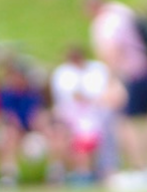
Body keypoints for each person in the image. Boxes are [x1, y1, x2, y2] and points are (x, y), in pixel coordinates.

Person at [84, 0, 147, 192]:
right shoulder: (124, 13)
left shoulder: (105, 22)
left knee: (125, 123)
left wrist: (112, 82)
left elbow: (110, 51)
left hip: (131, 75)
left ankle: (139, 169)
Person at [50, 46, 116, 184]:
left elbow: (104, 97)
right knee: (62, 135)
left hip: (97, 115)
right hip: (71, 117)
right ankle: (67, 172)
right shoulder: (62, 74)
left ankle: (102, 170)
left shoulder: (98, 70)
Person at [0, 54, 49, 186]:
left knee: (53, 133)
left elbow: (37, 117)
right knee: (9, 135)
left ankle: (55, 172)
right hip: (13, 131)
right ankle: (8, 174)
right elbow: (7, 117)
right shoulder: (6, 94)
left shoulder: (33, 94)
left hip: (31, 131)